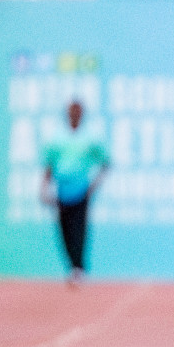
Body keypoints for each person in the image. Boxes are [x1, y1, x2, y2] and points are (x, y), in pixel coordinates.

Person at [39, 99, 110, 285]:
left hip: (81, 190)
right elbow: (49, 165)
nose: (75, 115)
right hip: (62, 191)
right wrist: (43, 189)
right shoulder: (57, 137)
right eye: (72, 112)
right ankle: (72, 266)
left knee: (79, 230)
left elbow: (105, 162)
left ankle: (78, 268)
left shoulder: (90, 138)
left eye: (78, 112)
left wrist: (93, 186)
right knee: (64, 231)